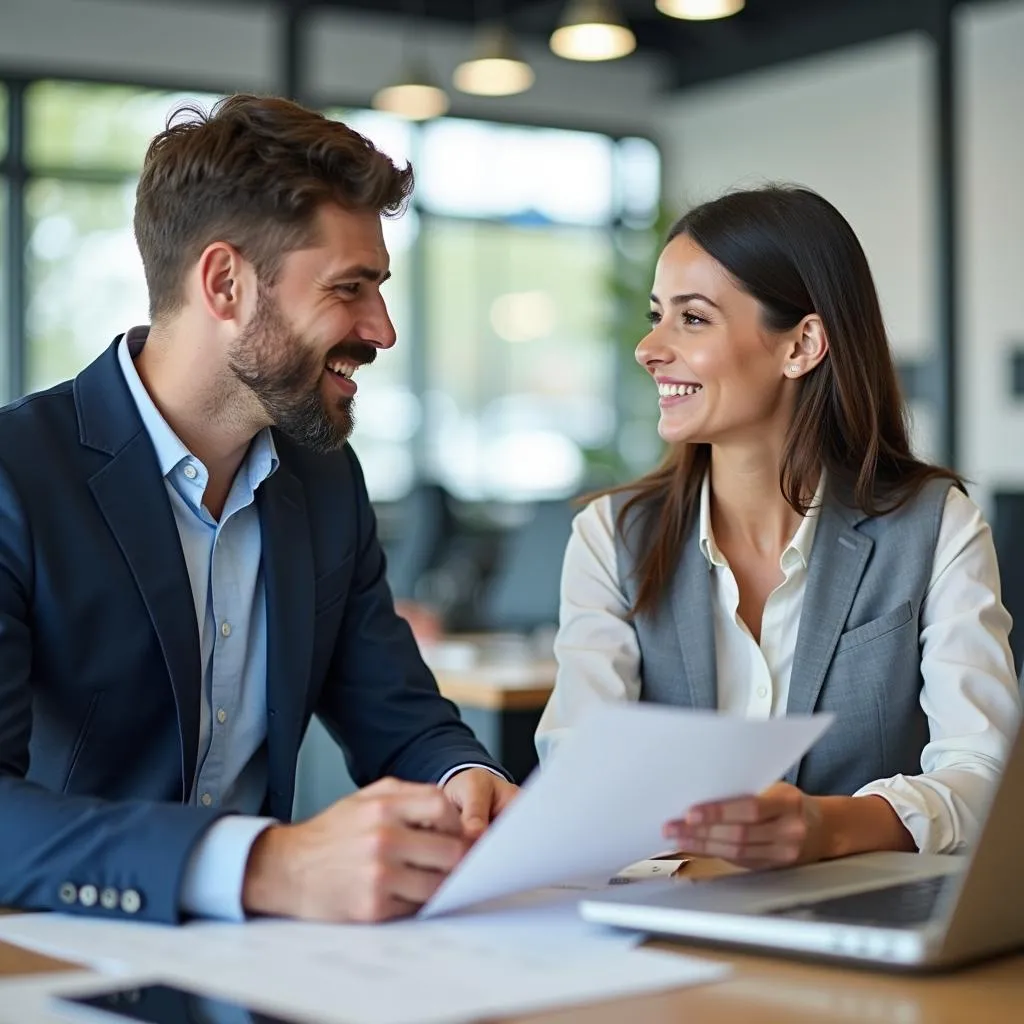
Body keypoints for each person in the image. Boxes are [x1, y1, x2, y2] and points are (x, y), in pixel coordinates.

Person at [0, 94, 517, 925]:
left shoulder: (325, 482)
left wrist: (466, 781)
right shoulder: (15, 476)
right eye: (351, 288)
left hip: (266, 967)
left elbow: (403, 718)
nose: (382, 329)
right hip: (59, 953)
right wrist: (264, 864)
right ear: (225, 283)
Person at [536, 185, 1022, 869]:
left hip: (864, 929)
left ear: (802, 344)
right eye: (656, 316)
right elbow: (579, 770)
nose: (649, 347)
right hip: (667, 922)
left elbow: (985, 773)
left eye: (692, 320)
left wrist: (832, 826)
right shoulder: (610, 537)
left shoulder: (936, 526)